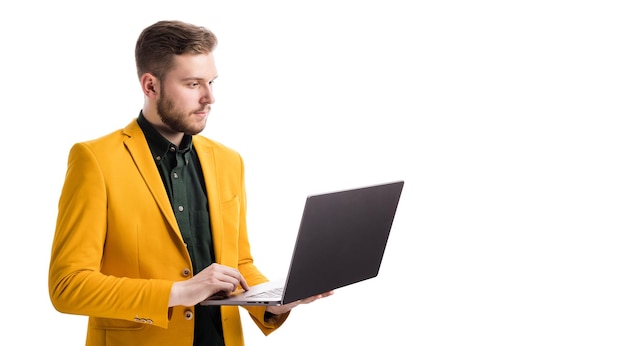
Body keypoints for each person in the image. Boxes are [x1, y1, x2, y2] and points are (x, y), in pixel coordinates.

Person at [48, 20, 332, 346]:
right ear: (150, 86)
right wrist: (177, 292)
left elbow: (238, 264)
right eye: (194, 84)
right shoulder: (95, 160)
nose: (209, 97)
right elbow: (67, 286)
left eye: (211, 82)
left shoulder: (228, 161)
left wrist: (273, 301)